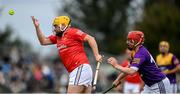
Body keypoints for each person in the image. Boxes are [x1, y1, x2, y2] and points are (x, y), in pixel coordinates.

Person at [31, 16, 102, 93]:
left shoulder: (72, 32)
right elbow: (43, 41)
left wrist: (97, 55)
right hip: (76, 71)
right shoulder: (58, 37)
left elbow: (90, 38)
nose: (54, 29)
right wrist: (37, 27)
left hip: (79, 68)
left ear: (63, 25)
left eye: (56, 26)